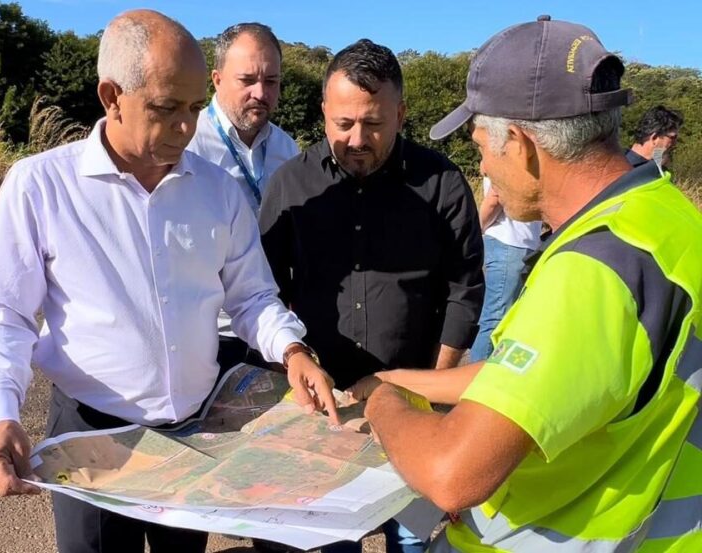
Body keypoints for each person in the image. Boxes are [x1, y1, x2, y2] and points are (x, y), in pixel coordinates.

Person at [0, 10, 337, 553]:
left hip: (191, 435)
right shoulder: (41, 186)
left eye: (193, 108)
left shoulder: (217, 190)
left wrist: (293, 349)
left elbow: (252, 294)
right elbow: (5, 314)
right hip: (92, 438)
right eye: (167, 109)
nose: (187, 127)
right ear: (111, 95)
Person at [352, 16, 702, 552]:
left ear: (519, 143)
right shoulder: (662, 216)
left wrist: (381, 403)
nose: (484, 164)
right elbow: (538, 377)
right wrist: (399, 378)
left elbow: (453, 473)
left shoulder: (593, 271)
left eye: (481, 147)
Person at [259, 39, 484, 553]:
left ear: (401, 113)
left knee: (408, 536)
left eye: (374, 124)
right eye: (343, 124)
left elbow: (464, 288)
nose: (357, 138)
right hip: (325, 404)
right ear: (323, 112)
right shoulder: (291, 184)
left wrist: (431, 384)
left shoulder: (442, 184)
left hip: (412, 398)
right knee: (330, 538)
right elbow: (266, 291)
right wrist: (293, 372)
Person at [186, 22, 300, 372]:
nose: (261, 93)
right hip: (204, 333)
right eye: (247, 80)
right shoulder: (188, 147)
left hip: (269, 328)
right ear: (217, 80)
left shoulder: (287, 149)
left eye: (271, 82)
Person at [469, 176, 541, 362]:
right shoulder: (506, 152)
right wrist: (477, 229)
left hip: (515, 243)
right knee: (496, 318)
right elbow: (494, 198)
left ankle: (487, 374)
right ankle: (475, 380)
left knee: (505, 318)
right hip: (509, 242)